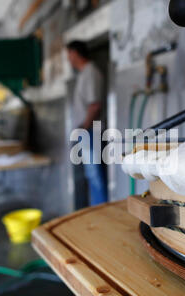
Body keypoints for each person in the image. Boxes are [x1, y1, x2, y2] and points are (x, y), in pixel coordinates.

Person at [67, 40, 108, 206]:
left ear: (75, 53)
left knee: (95, 176)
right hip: (88, 130)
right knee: (91, 175)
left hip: (91, 131)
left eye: (68, 54)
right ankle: (97, 211)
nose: (68, 59)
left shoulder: (91, 72)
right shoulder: (85, 73)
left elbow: (95, 105)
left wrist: (84, 128)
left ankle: (102, 214)